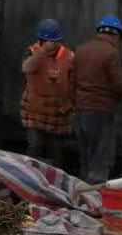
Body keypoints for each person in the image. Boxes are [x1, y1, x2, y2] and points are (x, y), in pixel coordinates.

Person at [71, 13, 122, 184]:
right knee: (101, 153)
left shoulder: (80, 50)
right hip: (101, 109)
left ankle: (83, 188)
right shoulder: (110, 53)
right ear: (115, 35)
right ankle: (97, 191)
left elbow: (71, 79)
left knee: (86, 153)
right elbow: (117, 82)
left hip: (81, 108)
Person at [20, 18, 75, 168]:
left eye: (56, 41)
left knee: (56, 150)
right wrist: (41, 52)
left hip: (57, 111)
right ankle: (29, 174)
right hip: (34, 109)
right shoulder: (31, 52)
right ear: (40, 40)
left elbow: (73, 79)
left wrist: (70, 103)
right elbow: (26, 68)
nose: (54, 45)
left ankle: (54, 178)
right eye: (50, 41)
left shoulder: (69, 56)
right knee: (35, 145)